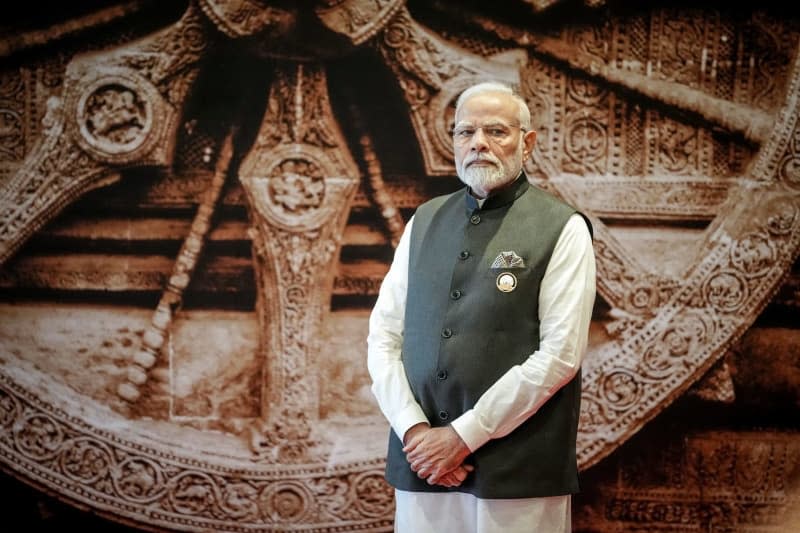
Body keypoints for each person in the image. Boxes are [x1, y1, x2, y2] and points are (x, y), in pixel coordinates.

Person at [366, 80, 596, 532]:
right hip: (425, 465)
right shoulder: (424, 221)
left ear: (527, 143)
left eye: (496, 132)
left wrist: (462, 437)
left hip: (518, 469)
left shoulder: (562, 228)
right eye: (465, 133)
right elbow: (383, 337)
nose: (479, 144)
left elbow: (561, 355)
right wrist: (417, 434)